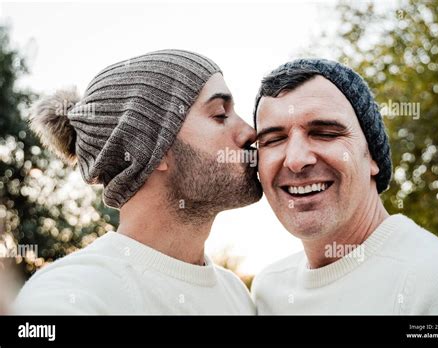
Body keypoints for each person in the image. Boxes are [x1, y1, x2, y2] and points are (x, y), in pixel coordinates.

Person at [14, 49, 262, 314]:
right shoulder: (71, 293)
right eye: (220, 115)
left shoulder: (236, 295)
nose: (250, 132)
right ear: (152, 151)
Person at [251, 58, 438, 314]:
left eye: (326, 133)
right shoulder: (268, 291)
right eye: (274, 139)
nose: (296, 160)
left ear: (374, 156)